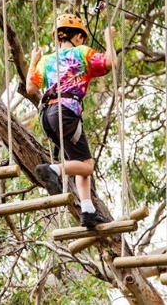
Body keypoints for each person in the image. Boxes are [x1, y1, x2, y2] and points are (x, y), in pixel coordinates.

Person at [26, 13, 116, 229]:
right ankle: (53, 170)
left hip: (47, 117)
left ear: (58, 38)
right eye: (82, 39)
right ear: (78, 38)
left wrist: (33, 61)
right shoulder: (81, 52)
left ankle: (88, 211)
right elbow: (108, 63)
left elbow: (30, 88)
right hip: (65, 112)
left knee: (80, 163)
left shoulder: (47, 60)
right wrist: (109, 39)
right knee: (86, 167)